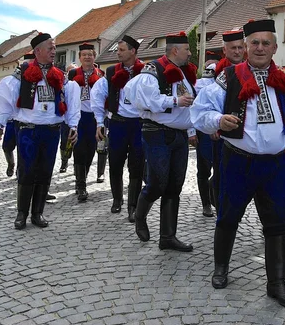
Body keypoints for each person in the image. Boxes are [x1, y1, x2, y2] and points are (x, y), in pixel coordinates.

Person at [191, 19, 285, 308]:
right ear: (245, 46)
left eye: (265, 43)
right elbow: (200, 113)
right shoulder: (227, 77)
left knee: (277, 223)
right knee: (228, 217)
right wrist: (218, 120)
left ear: (275, 47)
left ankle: (277, 283)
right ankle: (221, 268)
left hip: (274, 166)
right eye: (254, 43)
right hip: (238, 161)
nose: (260, 48)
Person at [0, 33, 81, 229]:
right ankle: (21, 214)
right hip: (28, 131)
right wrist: (0, 123)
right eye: (50, 48)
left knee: (45, 171)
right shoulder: (20, 75)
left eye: (55, 48)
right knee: (27, 171)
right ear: (37, 51)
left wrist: (73, 125)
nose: (54, 51)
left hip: (52, 131)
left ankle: (37, 214)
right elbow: (6, 100)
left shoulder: (60, 76)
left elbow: (72, 101)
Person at [127, 31, 197, 252]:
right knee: (157, 182)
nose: (190, 53)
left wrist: (192, 128)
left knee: (175, 185)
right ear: (175, 50)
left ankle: (168, 236)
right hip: (157, 132)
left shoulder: (181, 73)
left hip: (179, 135)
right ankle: (140, 216)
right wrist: (176, 100)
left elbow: (190, 105)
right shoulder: (153, 70)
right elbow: (146, 101)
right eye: (187, 49)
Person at [90, 35, 146, 221]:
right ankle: (117, 199)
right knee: (115, 163)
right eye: (118, 50)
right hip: (118, 123)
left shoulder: (146, 71)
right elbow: (98, 97)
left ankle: (133, 206)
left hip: (139, 124)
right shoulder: (111, 71)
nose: (118, 53)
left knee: (137, 165)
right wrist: (100, 121)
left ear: (133, 51)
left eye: (122, 50)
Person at [207, 30, 246, 208]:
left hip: (244, 131)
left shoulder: (251, 66)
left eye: (240, 47)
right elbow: (206, 102)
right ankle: (220, 207)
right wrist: (215, 125)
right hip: (221, 131)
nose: (237, 51)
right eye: (233, 48)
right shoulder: (215, 71)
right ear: (225, 50)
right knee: (221, 170)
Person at [67, 43, 105, 202]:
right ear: (80, 57)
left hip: (94, 116)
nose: (87, 57)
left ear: (94, 56)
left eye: (90, 54)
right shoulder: (73, 74)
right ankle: (80, 185)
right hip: (79, 116)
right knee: (79, 149)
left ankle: (82, 177)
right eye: (84, 55)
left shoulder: (101, 74)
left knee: (91, 150)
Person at [193, 50, 222, 217]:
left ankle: (214, 201)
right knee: (204, 169)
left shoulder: (224, 78)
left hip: (219, 131)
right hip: (204, 131)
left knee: (217, 169)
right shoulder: (199, 84)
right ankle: (207, 203)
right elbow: (192, 109)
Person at [58, 64, 77, 173]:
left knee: (76, 143)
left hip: (78, 117)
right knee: (64, 141)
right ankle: (64, 162)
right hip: (65, 117)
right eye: (70, 72)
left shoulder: (80, 83)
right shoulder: (63, 84)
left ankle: (77, 164)